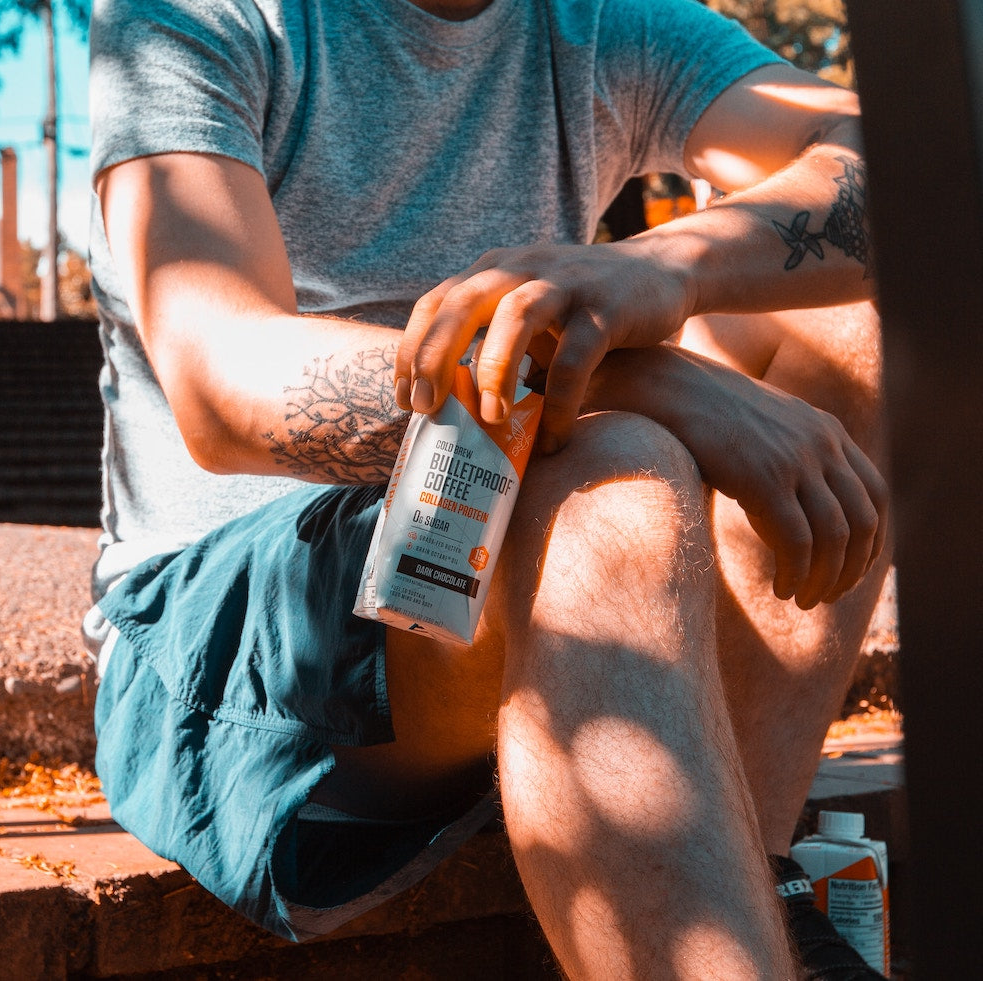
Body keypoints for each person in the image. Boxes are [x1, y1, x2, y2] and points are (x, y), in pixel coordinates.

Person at [83, 0, 891, 977]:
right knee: (606, 464)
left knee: (864, 321)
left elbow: (900, 163)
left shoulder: (594, 23)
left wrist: (667, 268)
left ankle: (743, 888)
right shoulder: (203, 14)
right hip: (223, 653)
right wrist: (620, 372)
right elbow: (221, 385)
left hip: (507, 575)